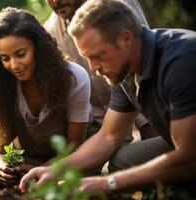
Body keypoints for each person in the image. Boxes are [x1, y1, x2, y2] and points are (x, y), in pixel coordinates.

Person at [0, 0, 157, 168]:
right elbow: (3, 121)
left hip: (107, 129)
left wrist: (154, 165)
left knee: (122, 168)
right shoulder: (51, 31)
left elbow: (144, 79)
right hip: (79, 138)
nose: (55, 1)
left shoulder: (117, 9)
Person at [20, 0, 196, 193]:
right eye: (87, 58)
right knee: (125, 160)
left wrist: (107, 183)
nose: (93, 69)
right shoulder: (125, 70)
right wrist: (53, 170)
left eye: (98, 56)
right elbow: (108, 137)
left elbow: (189, 158)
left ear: (125, 38)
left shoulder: (182, 61)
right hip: (182, 146)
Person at [0, 7, 91, 184]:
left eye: (21, 54)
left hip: (68, 163)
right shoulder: (2, 85)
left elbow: (74, 148)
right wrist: (1, 168)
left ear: (38, 48)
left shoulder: (74, 78)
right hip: (27, 165)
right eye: (5, 58)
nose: (14, 65)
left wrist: (44, 170)